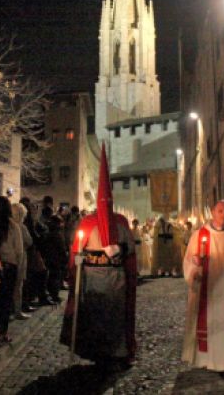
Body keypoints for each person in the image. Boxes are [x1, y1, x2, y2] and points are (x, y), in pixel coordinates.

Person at [60, 144, 137, 369]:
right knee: (95, 318)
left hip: (115, 283)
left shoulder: (121, 222)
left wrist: (120, 249)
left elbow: (130, 251)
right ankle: (96, 353)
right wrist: (76, 262)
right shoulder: (87, 223)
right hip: (93, 282)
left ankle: (117, 353)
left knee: (114, 319)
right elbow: (77, 250)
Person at [182, 200, 224, 376]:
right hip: (206, 288)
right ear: (212, 212)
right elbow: (189, 259)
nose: (223, 216)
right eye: (220, 211)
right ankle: (204, 360)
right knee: (206, 324)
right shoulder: (199, 235)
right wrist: (195, 265)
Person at [0, 196, 23, 343]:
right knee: (6, 301)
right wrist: (19, 267)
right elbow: (19, 250)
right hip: (9, 267)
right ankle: (3, 333)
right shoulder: (13, 226)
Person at [12, 202, 33, 318]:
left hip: (9, 259)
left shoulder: (9, 225)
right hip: (19, 257)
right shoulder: (21, 227)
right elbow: (29, 241)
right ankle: (17, 311)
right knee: (18, 285)